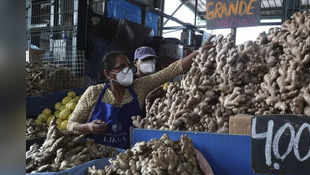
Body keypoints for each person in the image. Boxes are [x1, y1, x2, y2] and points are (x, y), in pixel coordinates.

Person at [67, 36, 215, 148]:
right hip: (96, 156)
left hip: (128, 157)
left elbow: (171, 71)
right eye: (122, 66)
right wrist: (88, 127)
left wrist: (198, 52)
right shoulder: (93, 93)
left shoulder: (139, 86)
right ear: (108, 74)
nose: (128, 69)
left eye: (129, 65)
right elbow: (70, 124)